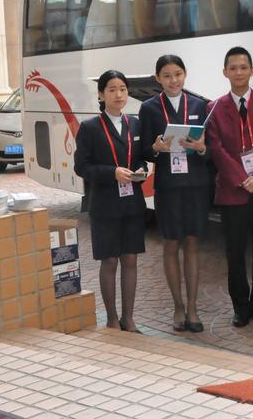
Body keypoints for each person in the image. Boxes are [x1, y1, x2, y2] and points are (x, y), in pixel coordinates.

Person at [205, 47, 253, 328]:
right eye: (233, 68)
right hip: (232, 192)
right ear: (225, 72)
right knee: (235, 253)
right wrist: (242, 178)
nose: (239, 72)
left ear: (252, 71)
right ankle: (241, 308)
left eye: (244, 67)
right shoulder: (214, 108)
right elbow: (216, 149)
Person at [139, 55, 212, 333]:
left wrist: (203, 146)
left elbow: (210, 149)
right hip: (168, 186)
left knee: (193, 243)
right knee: (171, 244)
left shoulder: (199, 105)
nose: (174, 80)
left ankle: (193, 307)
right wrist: (156, 149)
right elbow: (145, 151)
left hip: (195, 184)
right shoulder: (149, 109)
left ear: (185, 75)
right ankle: (177, 306)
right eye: (167, 75)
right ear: (158, 78)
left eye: (178, 74)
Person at [74, 70, 147, 333]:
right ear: (101, 94)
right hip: (104, 204)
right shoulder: (90, 127)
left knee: (130, 259)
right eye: (113, 89)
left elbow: (140, 158)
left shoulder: (135, 124)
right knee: (110, 261)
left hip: (132, 204)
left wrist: (143, 171)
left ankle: (129, 318)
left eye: (123, 89)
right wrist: (111, 173)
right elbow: (81, 167)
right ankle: (112, 318)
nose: (119, 95)